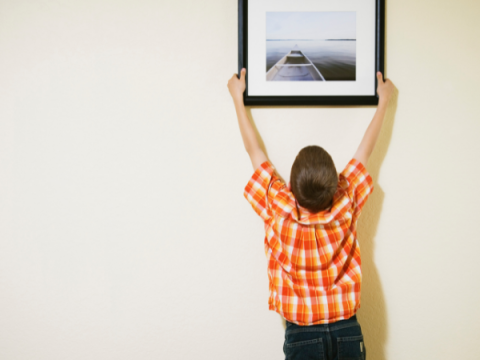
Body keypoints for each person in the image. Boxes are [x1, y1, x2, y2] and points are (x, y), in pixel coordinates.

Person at [227, 68, 395, 360]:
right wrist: (383, 103)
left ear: (290, 186)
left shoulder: (279, 207)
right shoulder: (346, 202)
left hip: (301, 334)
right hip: (347, 331)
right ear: (335, 186)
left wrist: (237, 99)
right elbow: (365, 151)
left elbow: (253, 150)